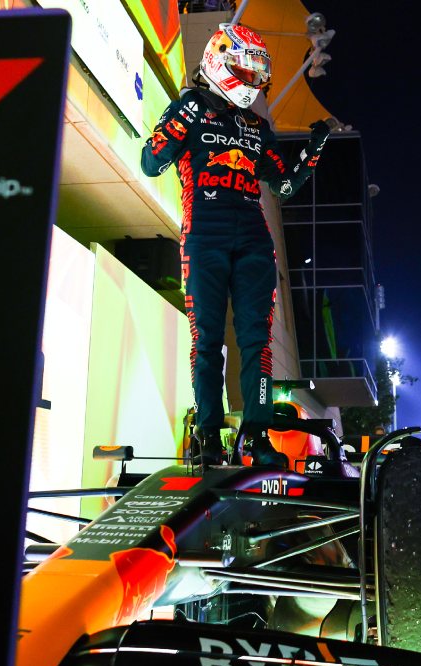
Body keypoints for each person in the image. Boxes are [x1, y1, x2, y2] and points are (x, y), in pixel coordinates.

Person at [141, 24, 331, 467]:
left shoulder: (256, 125)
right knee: (206, 339)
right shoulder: (191, 105)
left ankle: (258, 434)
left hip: (252, 238)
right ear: (218, 60)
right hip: (203, 233)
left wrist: (314, 150)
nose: (252, 80)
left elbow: (282, 185)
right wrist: (183, 118)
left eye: (256, 72)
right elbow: (151, 161)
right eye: (244, 68)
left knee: (257, 341)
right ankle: (208, 433)